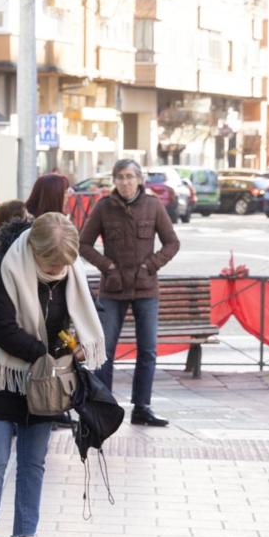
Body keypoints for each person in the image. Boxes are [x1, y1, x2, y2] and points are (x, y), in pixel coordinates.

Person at [0, 213, 105, 537]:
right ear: (34, 251)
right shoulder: (4, 266)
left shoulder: (71, 270)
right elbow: (0, 326)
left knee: (34, 461)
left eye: (63, 264)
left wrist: (78, 345)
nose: (57, 270)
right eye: (50, 263)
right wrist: (46, 355)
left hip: (47, 381)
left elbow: (81, 314)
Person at [79, 159, 179, 427]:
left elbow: (172, 243)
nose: (124, 182)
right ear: (114, 180)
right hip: (113, 289)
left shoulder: (153, 205)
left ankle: (142, 407)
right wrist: (107, 267)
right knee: (105, 350)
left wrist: (150, 265)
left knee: (148, 350)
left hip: (146, 288)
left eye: (129, 177)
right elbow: (83, 244)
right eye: (120, 177)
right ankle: (103, 407)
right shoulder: (104, 208)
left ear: (139, 179)